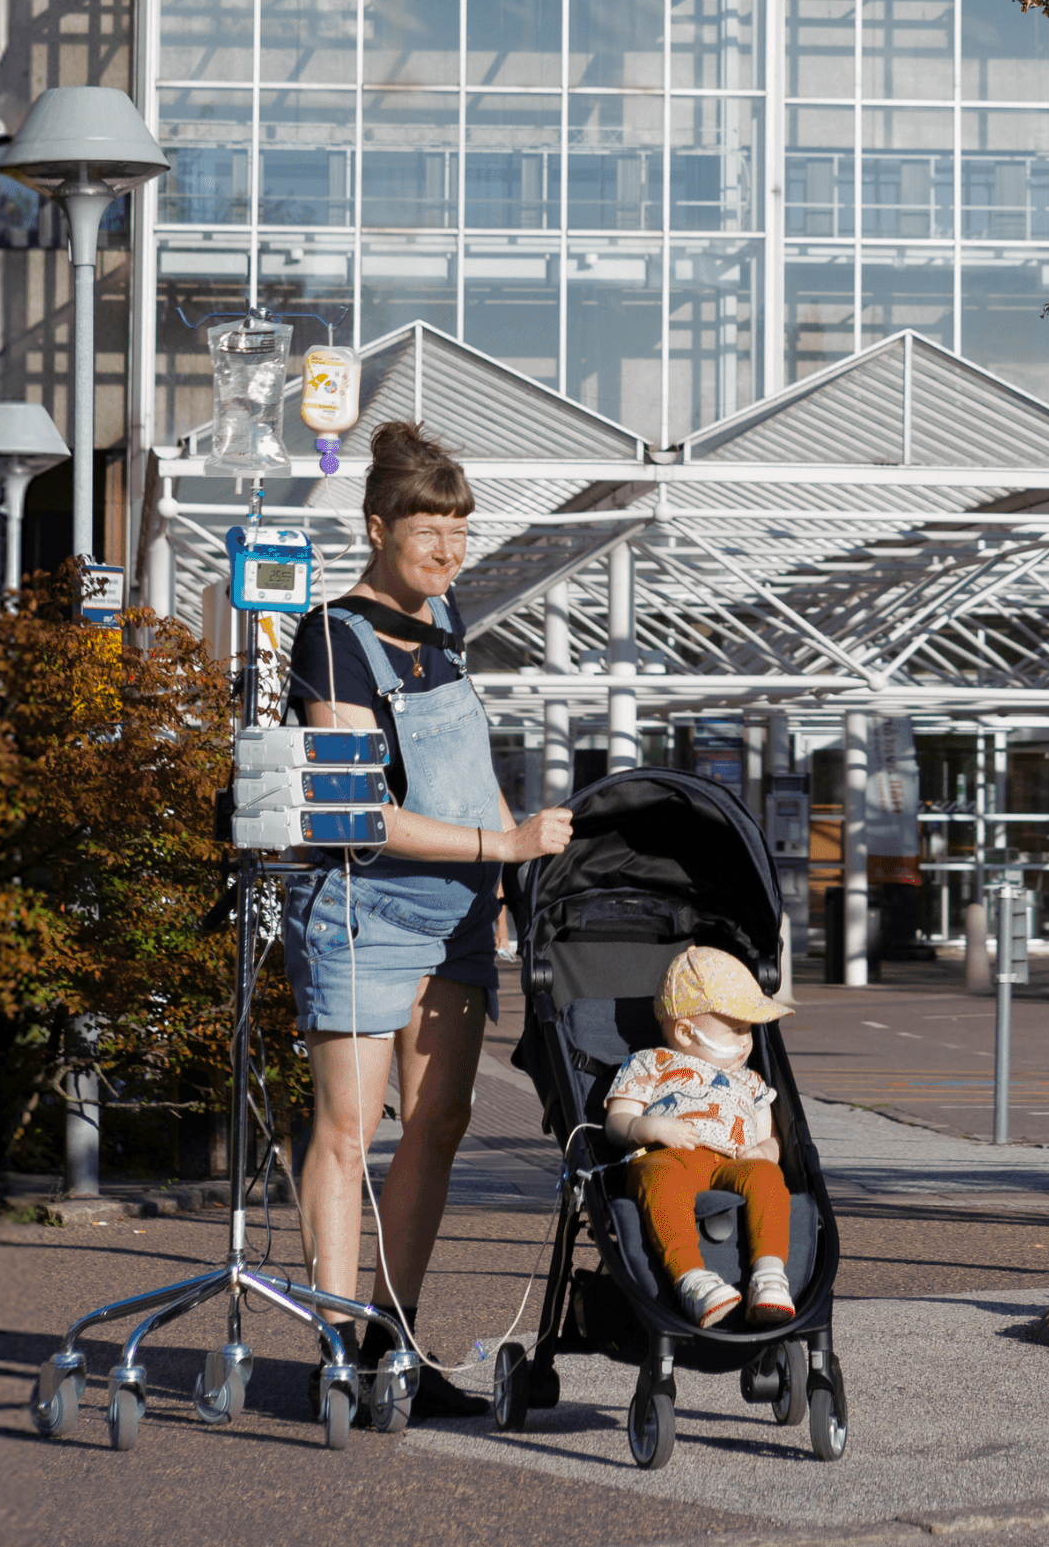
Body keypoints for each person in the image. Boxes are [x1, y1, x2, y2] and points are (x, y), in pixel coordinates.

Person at [283, 419, 572, 1418]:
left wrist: (514, 874)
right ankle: (333, 1345)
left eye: (459, 528)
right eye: (427, 530)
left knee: (438, 1123)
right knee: (348, 1126)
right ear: (376, 529)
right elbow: (359, 812)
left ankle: (390, 1346)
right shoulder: (333, 638)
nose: (447, 549)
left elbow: (470, 779)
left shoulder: (445, 635)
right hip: (360, 907)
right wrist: (504, 847)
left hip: (453, 916)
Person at [602, 945, 800, 1327]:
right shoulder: (652, 1062)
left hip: (731, 1163)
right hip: (666, 1155)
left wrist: (765, 1151)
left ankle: (769, 1276)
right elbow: (617, 1122)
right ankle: (691, 1279)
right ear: (685, 1032)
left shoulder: (752, 1081)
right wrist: (649, 1127)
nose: (747, 1042)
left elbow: (770, 1137)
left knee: (768, 1177)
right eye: (738, 1029)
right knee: (658, 1176)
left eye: (750, 1031)